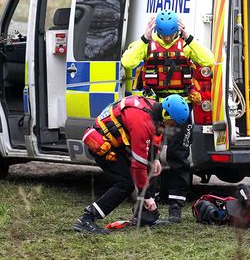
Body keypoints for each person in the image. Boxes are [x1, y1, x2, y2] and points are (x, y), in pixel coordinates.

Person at [120, 9, 214, 224]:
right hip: (156, 107)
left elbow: (208, 60)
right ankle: (149, 202)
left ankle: (176, 206)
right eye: (164, 35)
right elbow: (127, 62)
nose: (168, 39)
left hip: (181, 108)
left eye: (172, 35)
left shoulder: (186, 44)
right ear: (158, 32)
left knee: (178, 156)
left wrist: (189, 36)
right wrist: (144, 37)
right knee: (150, 154)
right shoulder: (147, 43)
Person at [73, 94, 190, 234]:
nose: (173, 127)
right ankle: (86, 219)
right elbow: (138, 165)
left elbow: (156, 138)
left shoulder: (155, 111)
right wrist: (147, 196)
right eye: (172, 122)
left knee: (152, 168)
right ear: (165, 114)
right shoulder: (142, 121)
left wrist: (156, 158)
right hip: (104, 145)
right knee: (125, 184)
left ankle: (144, 217)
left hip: (117, 143)